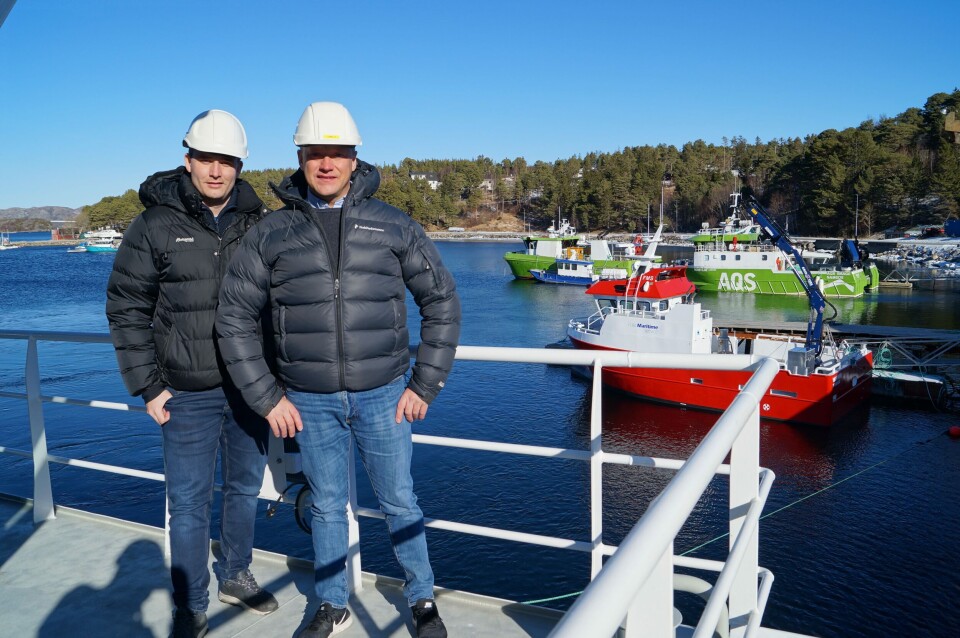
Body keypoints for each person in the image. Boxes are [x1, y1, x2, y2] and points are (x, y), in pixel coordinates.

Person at [216, 101, 461, 638]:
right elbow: (233, 315)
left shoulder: (393, 224)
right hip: (307, 399)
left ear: (355, 159)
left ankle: (422, 602)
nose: (327, 163)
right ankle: (332, 603)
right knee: (327, 506)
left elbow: (440, 300)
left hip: (386, 393)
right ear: (300, 158)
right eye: (316, 154)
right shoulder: (273, 232)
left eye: (338, 153)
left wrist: (426, 382)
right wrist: (266, 397)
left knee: (400, 501)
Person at [106, 109, 277, 638]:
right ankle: (191, 602)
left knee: (245, 490)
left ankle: (236, 574)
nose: (216, 170)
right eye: (207, 158)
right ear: (188, 160)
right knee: (187, 503)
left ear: (240, 165)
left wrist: (279, 382)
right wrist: (149, 386)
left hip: (249, 389)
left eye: (227, 160)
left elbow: (283, 304)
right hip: (184, 393)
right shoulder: (156, 223)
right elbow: (126, 306)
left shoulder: (260, 222)